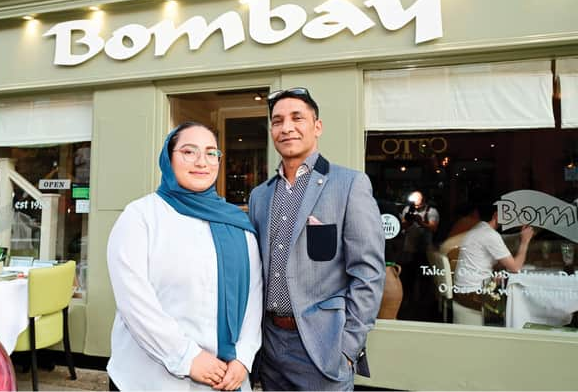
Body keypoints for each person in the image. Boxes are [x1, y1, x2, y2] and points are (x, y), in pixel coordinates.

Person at [106, 122, 263, 390]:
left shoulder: (237, 223)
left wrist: (243, 358)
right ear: (168, 158)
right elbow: (134, 302)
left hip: (225, 377)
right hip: (147, 379)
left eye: (211, 153)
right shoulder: (141, 217)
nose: (202, 162)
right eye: (189, 152)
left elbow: (253, 296)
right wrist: (186, 357)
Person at [248, 87, 385, 390]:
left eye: (297, 118)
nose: (287, 127)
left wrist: (347, 349)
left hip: (323, 348)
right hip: (270, 346)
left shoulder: (349, 184)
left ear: (317, 126)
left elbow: (369, 273)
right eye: (277, 121)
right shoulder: (260, 196)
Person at [453, 203, 534, 310]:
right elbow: (515, 268)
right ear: (496, 215)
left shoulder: (480, 228)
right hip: (472, 294)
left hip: (464, 291)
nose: (510, 217)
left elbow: (494, 262)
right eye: (506, 213)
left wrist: (494, 277)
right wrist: (525, 241)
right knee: (520, 303)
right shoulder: (490, 234)